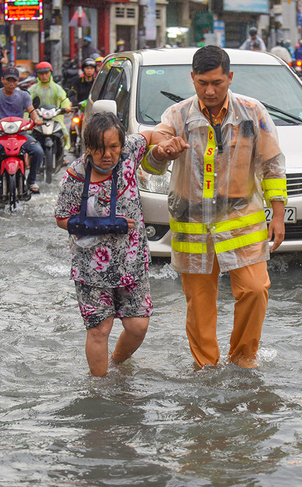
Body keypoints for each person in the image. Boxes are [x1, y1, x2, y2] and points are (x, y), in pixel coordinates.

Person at [141, 46, 287, 369]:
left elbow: (272, 166)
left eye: (218, 83)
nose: (210, 90)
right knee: (199, 306)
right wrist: (162, 153)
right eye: (203, 82)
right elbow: (150, 162)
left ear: (230, 78)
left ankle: (243, 360)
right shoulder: (176, 117)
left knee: (255, 290)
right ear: (192, 79)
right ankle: (205, 369)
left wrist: (278, 214)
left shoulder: (253, 113)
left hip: (242, 223)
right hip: (193, 228)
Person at [54, 112, 186, 376]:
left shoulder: (128, 154)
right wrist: (106, 225)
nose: (108, 154)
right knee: (100, 329)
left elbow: (148, 136)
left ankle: (116, 363)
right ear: (88, 147)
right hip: (91, 267)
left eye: (114, 147)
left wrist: (166, 143)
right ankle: (100, 390)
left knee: (138, 326)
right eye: (100, 148)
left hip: (132, 262)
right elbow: (61, 219)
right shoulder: (75, 176)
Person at [0, 67, 44, 201]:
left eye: (14, 80)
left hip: (21, 135)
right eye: (8, 79)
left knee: (38, 151)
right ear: (2, 80)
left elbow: (32, 111)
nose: (11, 83)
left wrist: (36, 119)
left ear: (17, 82)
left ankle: (31, 181)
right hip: (0, 135)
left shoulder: (24, 95)